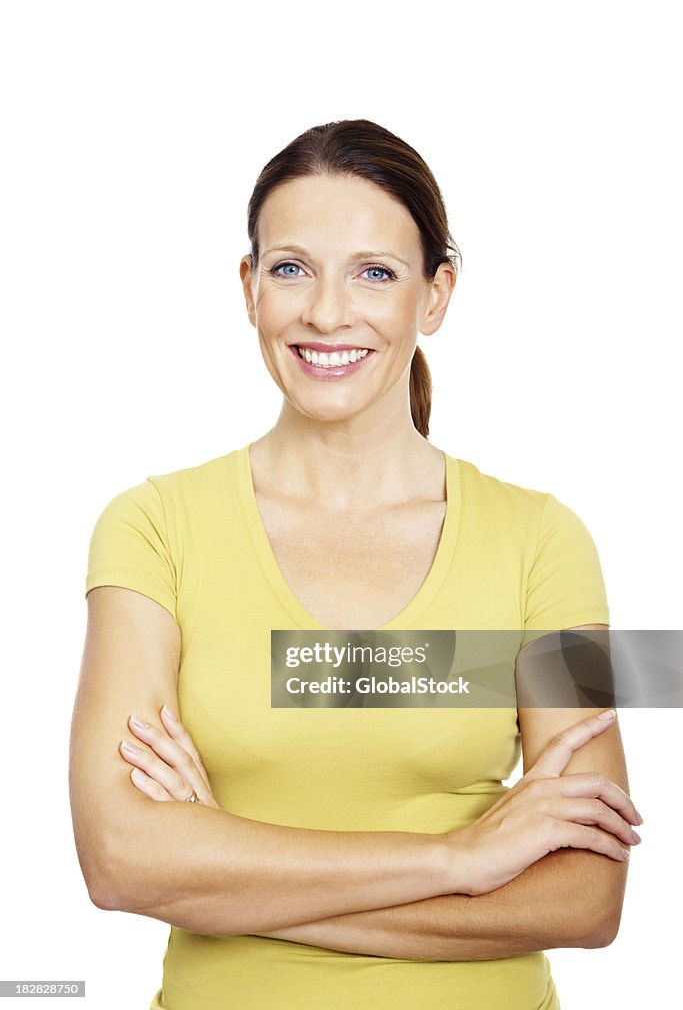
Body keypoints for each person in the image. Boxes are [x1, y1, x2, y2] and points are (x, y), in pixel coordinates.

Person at [69, 119, 641, 1010]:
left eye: (374, 272)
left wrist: (223, 865)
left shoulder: (542, 540)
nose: (326, 312)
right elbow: (118, 860)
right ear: (249, 287)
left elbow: (585, 895)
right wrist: (458, 858)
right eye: (291, 268)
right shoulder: (152, 529)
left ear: (436, 295)